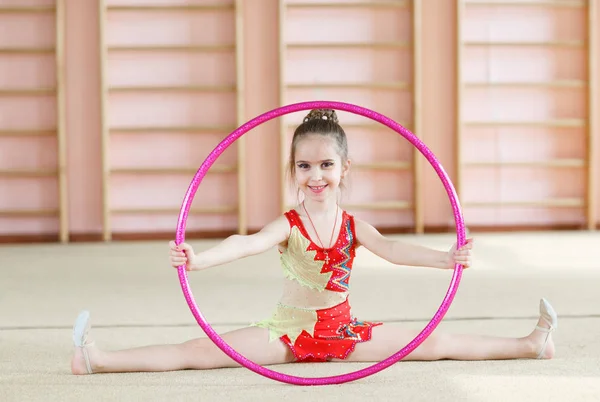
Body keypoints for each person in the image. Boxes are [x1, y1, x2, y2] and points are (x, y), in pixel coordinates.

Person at [71, 109, 557, 375]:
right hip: (288, 331)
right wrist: (199, 261)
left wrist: (446, 258)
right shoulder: (289, 223)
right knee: (197, 352)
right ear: (294, 171)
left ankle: (531, 345)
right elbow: (246, 242)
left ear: (345, 169)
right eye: (304, 166)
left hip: (346, 332)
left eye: (326, 165)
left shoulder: (353, 226)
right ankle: (98, 358)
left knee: (437, 344)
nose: (316, 175)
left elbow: (393, 250)